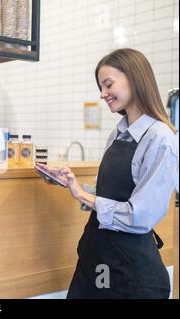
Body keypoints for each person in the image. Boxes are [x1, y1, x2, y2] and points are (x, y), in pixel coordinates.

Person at [37, 48, 178, 299]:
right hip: (97, 260)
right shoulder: (118, 134)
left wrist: (82, 195)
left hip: (130, 274)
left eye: (108, 84)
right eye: (101, 87)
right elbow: (110, 196)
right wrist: (71, 184)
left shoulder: (161, 138)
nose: (103, 94)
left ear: (134, 78)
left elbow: (140, 216)